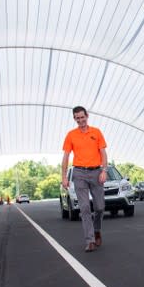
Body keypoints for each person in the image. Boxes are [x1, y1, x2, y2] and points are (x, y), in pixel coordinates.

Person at [61, 106, 108, 253]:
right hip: (79, 173)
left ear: (87, 116)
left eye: (82, 117)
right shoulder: (71, 135)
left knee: (100, 207)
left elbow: (103, 153)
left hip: (96, 172)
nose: (80, 120)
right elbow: (66, 156)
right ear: (74, 118)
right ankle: (90, 240)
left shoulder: (96, 132)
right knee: (85, 208)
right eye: (77, 118)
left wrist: (104, 170)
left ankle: (97, 230)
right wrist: (63, 176)